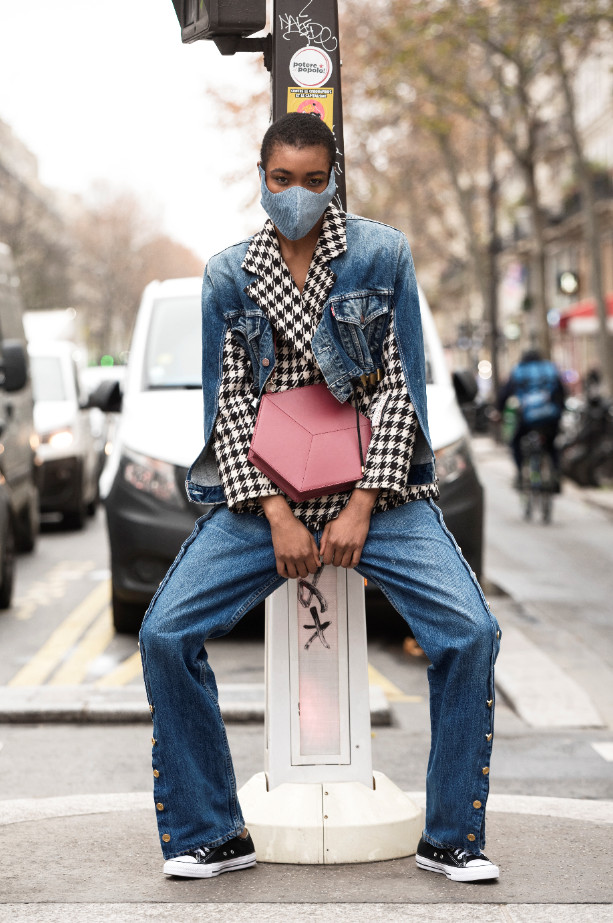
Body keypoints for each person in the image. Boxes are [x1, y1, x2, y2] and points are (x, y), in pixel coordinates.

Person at [139, 112, 501, 883]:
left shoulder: (380, 254)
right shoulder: (228, 274)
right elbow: (228, 406)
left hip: (378, 492)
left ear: (332, 179)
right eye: (281, 179)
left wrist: (362, 505)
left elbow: (401, 389)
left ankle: (451, 837)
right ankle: (210, 832)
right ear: (261, 178)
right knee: (164, 633)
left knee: (470, 632)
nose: (295, 194)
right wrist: (275, 515)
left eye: (310, 180)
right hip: (264, 497)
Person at [497, 349, 566, 488]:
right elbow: (562, 391)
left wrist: (499, 411)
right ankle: (556, 475)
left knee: (515, 442)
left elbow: (504, 394)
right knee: (552, 445)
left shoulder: (518, 371)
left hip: (527, 420)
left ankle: (520, 474)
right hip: (550, 417)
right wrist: (560, 411)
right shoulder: (549, 369)